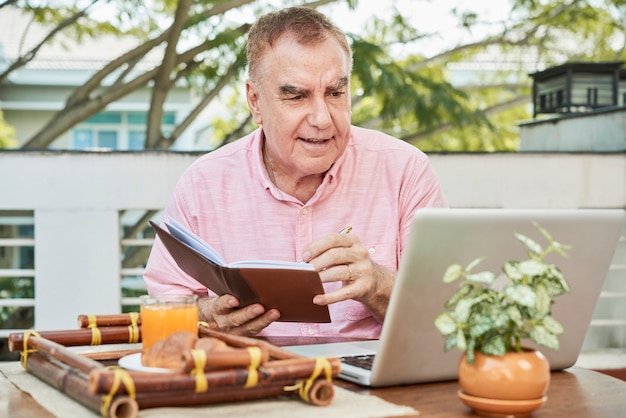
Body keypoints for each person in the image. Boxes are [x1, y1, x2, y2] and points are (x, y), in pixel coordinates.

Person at [143, 7, 448, 339]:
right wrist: (208, 317)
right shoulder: (203, 184)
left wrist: (378, 284)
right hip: (250, 378)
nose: (322, 118)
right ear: (255, 101)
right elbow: (163, 310)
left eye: (335, 93)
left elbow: (449, 314)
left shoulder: (405, 170)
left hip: (373, 379)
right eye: (297, 96)